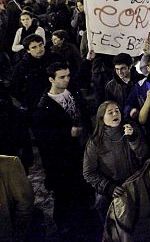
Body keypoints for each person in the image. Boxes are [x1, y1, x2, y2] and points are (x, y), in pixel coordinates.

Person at [31, 62, 94, 237]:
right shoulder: (44, 106)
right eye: (62, 77)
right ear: (51, 79)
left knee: (82, 185)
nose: (66, 79)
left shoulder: (71, 90)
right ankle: (64, 227)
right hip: (63, 157)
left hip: (82, 148)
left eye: (68, 76)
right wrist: (67, 133)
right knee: (64, 194)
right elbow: (44, 137)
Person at [83, 101, 149, 219]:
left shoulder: (131, 129)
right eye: (110, 112)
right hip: (110, 185)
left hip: (132, 180)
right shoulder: (95, 142)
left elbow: (143, 155)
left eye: (117, 111)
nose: (115, 114)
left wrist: (133, 139)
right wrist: (109, 187)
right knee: (102, 204)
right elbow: (88, 173)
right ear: (102, 118)